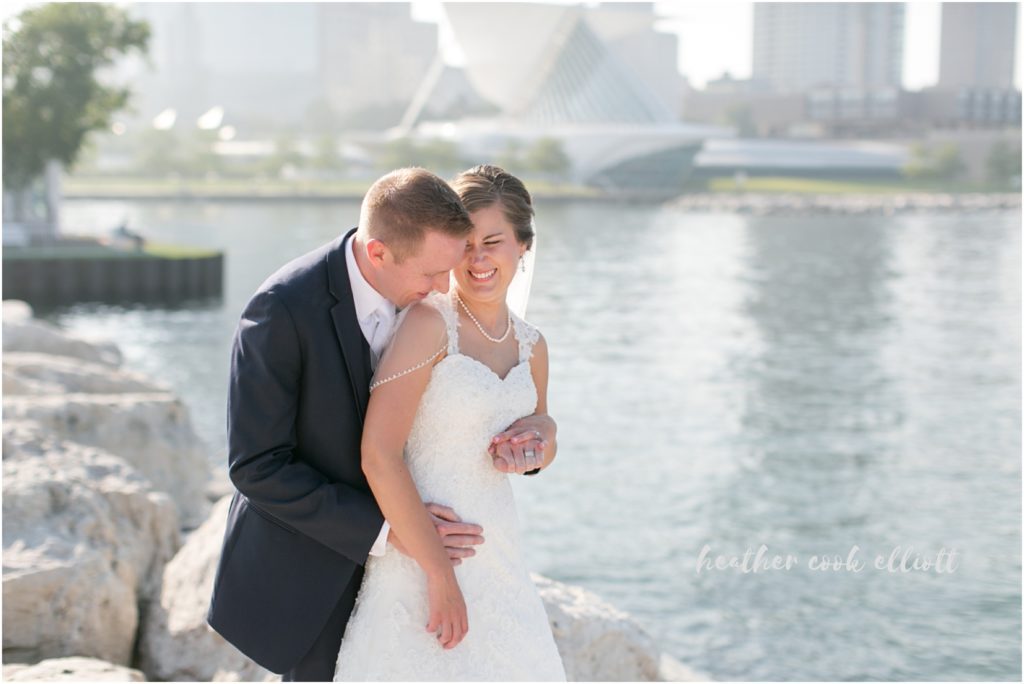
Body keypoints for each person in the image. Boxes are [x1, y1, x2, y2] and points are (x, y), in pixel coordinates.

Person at [206, 167, 556, 681]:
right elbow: (257, 467)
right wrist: (398, 535)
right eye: (438, 270)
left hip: (481, 549)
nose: (448, 281)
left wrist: (540, 439)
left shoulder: (500, 327)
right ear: (380, 254)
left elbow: (524, 417)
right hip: (321, 557)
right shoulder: (283, 310)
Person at [332, 165, 566, 681]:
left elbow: (539, 423)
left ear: (523, 244)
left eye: (494, 241)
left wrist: (542, 439)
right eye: (466, 244)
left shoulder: (532, 344)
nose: (478, 259)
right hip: (420, 560)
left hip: (499, 556)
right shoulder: (427, 324)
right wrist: (437, 573)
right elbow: (379, 454)